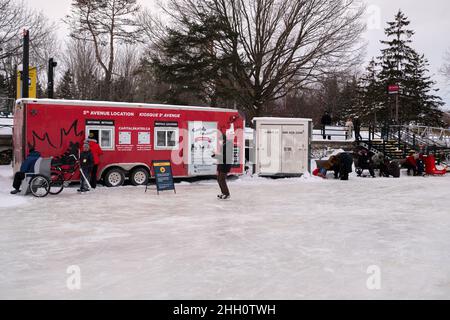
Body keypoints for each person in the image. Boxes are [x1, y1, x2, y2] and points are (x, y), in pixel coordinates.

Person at [212, 134, 233, 200]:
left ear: (223, 139)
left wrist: (215, 155)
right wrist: (215, 155)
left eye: (220, 140)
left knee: (222, 179)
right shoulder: (224, 145)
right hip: (221, 165)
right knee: (219, 179)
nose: (219, 141)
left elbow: (226, 157)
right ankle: (223, 193)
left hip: (225, 165)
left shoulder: (228, 145)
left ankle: (227, 194)